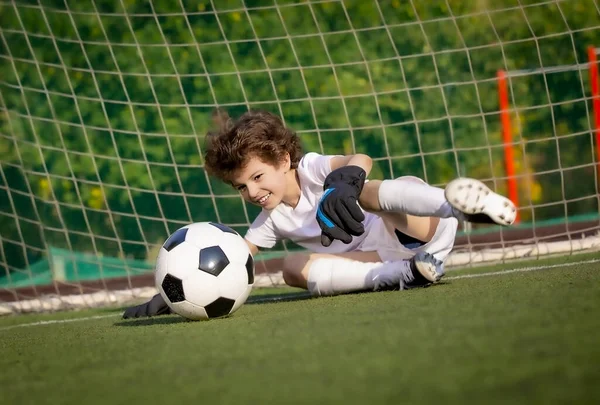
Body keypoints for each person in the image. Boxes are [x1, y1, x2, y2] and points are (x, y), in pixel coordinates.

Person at [123, 110, 516, 318]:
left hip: (419, 226)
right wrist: (169, 295)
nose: (253, 192)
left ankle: (458, 206)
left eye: (258, 178)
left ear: (282, 159)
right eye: (242, 187)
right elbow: (231, 257)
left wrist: (346, 180)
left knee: (367, 193)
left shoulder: (310, 169)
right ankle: (409, 276)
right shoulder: (272, 219)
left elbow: (358, 157)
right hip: (400, 260)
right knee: (293, 267)